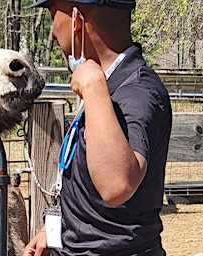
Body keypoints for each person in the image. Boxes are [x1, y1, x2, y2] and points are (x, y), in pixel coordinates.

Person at [23, 0, 172, 255]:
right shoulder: (112, 84)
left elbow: (116, 186)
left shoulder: (137, 94)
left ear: (76, 21)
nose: (52, 32)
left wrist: (93, 88)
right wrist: (57, 232)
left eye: (52, 16)